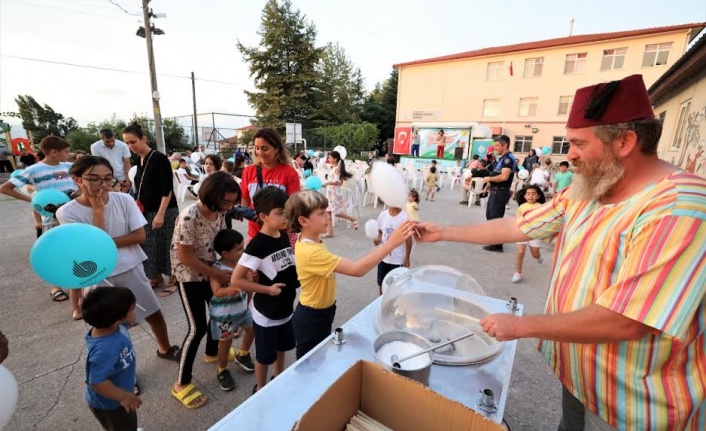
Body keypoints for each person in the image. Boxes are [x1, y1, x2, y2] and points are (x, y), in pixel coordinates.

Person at [416, 74, 706, 431]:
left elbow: (627, 320)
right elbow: (519, 226)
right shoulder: (591, 189)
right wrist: (444, 231)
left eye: (579, 144)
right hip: (581, 378)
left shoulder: (679, 208)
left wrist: (523, 326)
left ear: (625, 142)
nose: (569, 155)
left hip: (632, 403)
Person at [57, 156, 181, 356]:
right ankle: (122, 367)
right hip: (99, 275)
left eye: (108, 178)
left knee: (152, 311)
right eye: (94, 179)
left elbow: (139, 236)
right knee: (110, 325)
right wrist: (98, 211)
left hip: (131, 266)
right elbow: (93, 250)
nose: (103, 184)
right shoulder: (67, 213)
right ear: (77, 179)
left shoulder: (124, 200)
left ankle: (165, 348)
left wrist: (104, 244)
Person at [284, 190, 415, 359]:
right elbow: (357, 269)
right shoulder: (310, 251)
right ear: (303, 221)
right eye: (321, 213)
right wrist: (391, 243)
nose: (327, 216)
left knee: (320, 357)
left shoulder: (312, 240)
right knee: (309, 365)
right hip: (312, 317)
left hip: (322, 311)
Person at [170, 171, 240, 409]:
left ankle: (212, 353)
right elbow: (185, 257)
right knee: (197, 327)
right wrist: (217, 274)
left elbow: (220, 243)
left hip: (212, 272)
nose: (229, 207)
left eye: (232, 202)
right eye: (226, 202)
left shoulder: (219, 214)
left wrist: (232, 267)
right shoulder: (189, 216)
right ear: (212, 195)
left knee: (219, 316)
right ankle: (181, 383)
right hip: (189, 275)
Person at [230, 187, 298, 394]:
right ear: (263, 217)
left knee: (282, 347)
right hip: (267, 312)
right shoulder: (257, 245)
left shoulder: (284, 236)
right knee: (264, 355)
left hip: (285, 308)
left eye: (287, 210)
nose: (286, 216)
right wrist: (266, 290)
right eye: (280, 212)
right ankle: (260, 387)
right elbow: (237, 279)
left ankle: (279, 377)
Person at [1, 136, 76, 302]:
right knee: (55, 252)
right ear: (53, 152)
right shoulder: (34, 170)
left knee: (74, 249)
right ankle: (55, 285)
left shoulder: (70, 167)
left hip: (74, 215)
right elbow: (5, 188)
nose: (68, 154)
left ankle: (77, 282)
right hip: (52, 218)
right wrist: (35, 202)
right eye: (65, 151)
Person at [123, 123, 180, 296]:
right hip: (146, 211)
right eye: (127, 143)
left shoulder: (158, 158)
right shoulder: (139, 158)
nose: (130, 146)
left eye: (133, 142)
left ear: (144, 139)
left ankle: (174, 279)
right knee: (149, 245)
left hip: (165, 211)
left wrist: (161, 214)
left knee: (166, 245)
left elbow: (166, 189)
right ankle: (155, 277)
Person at [82, 286, 141, 431]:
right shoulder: (105, 349)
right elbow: (97, 381)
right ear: (118, 320)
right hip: (111, 404)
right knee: (122, 426)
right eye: (132, 308)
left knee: (129, 424)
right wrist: (123, 397)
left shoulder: (110, 327)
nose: (135, 311)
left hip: (120, 393)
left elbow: (130, 322)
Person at [208, 229, 255, 392]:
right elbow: (216, 292)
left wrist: (247, 302)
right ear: (225, 253)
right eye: (239, 249)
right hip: (225, 316)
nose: (243, 251)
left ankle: (242, 354)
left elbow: (249, 283)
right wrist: (232, 289)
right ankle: (222, 369)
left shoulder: (241, 265)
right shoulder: (216, 269)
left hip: (242, 311)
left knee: (252, 330)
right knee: (225, 344)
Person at [240, 128, 300, 243]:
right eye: (257, 148)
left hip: (283, 234)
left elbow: (294, 205)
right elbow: (245, 201)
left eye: (265, 148)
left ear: (277, 148)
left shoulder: (289, 172)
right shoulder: (248, 171)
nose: (260, 153)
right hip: (256, 234)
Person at [481, 135, 517, 252]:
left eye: (497, 145)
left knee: (496, 218)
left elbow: (504, 177)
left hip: (500, 192)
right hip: (495, 191)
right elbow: (496, 173)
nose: (495, 148)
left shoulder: (508, 159)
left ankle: (497, 245)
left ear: (504, 145)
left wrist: (489, 179)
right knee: (491, 217)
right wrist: (488, 185)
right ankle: (493, 241)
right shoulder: (502, 158)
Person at [374, 205, 413, 295]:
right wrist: (378, 238)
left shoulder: (405, 217)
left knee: (396, 286)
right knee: (382, 282)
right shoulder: (383, 215)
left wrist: (407, 257)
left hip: (397, 259)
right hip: (383, 257)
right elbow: (380, 231)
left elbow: (409, 239)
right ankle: (381, 301)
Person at [511, 185, 545, 283]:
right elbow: (517, 219)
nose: (531, 196)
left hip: (535, 234)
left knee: (535, 254)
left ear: (538, 196)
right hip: (522, 232)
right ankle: (517, 273)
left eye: (534, 194)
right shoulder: (522, 206)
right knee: (520, 252)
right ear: (525, 196)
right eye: (528, 194)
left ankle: (539, 257)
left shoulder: (541, 207)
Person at [323, 150, 359, 237]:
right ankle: (329, 232)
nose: (329, 159)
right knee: (328, 212)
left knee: (336, 212)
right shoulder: (334, 169)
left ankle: (353, 219)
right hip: (331, 193)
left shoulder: (336, 169)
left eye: (330, 157)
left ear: (335, 159)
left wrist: (327, 183)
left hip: (334, 194)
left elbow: (337, 182)